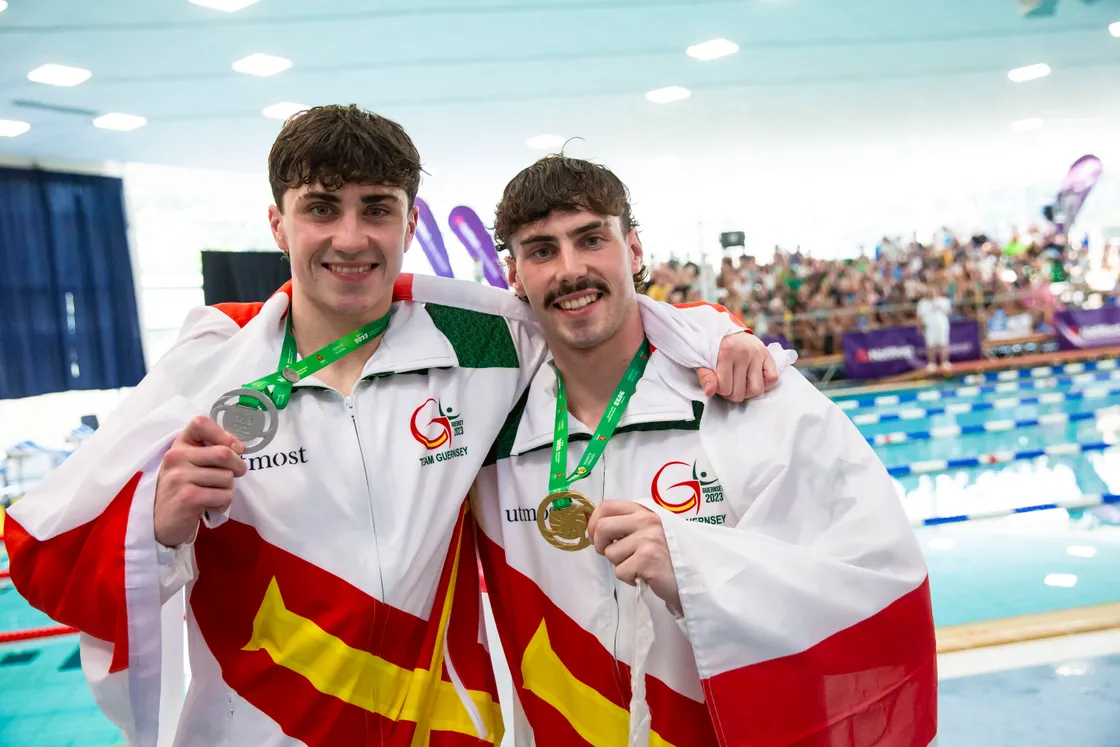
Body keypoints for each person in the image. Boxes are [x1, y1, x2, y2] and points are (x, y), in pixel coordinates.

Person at [4, 106, 780, 747]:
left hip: (440, 728)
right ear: (278, 223)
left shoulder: (477, 336)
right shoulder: (212, 366)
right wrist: (160, 524)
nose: (351, 238)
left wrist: (715, 332)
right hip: (256, 728)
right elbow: (51, 554)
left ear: (409, 223)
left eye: (377, 208)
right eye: (321, 209)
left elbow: (593, 305)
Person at [472, 155, 937, 746]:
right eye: (541, 251)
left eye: (592, 239)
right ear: (513, 274)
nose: (571, 269)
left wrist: (694, 568)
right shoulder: (489, 418)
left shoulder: (750, 397)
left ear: (635, 250)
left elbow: (879, 584)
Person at [917, 283, 952, 373]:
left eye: (933, 292)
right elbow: (919, 317)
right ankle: (931, 363)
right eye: (930, 292)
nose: (931, 293)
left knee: (943, 344)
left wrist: (938, 305)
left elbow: (949, 312)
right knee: (930, 345)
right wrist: (920, 327)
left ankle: (945, 362)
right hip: (929, 327)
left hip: (942, 326)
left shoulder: (944, 301)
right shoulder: (922, 303)